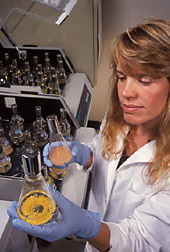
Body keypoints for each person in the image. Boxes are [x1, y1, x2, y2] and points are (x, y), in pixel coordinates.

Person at [8, 17, 170, 252]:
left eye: (143, 80)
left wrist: (87, 225)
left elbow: (140, 241)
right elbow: (103, 148)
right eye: (122, 77)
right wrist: (85, 155)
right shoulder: (123, 116)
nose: (125, 92)